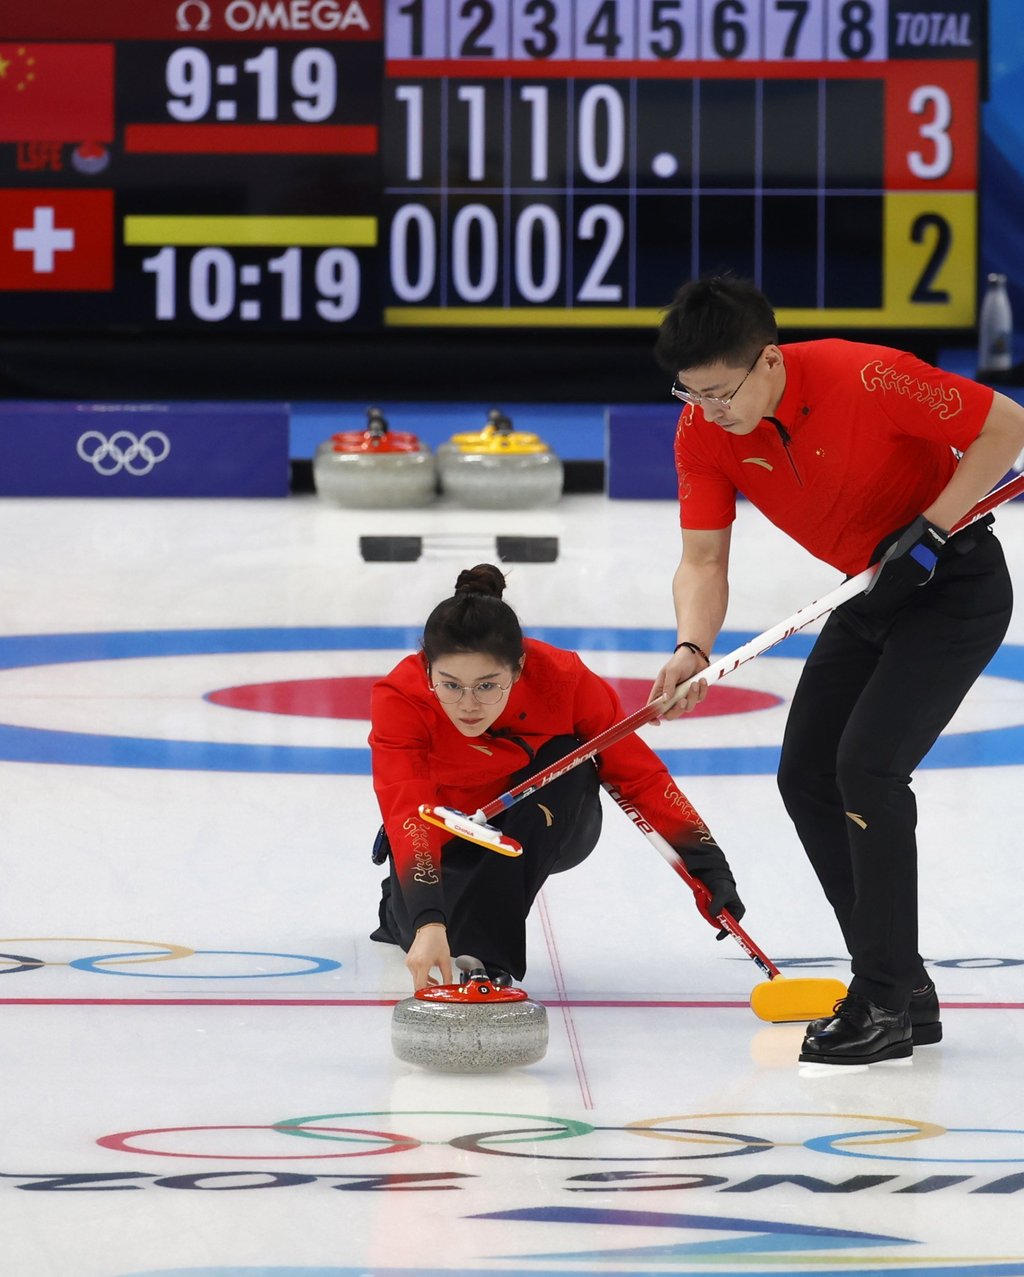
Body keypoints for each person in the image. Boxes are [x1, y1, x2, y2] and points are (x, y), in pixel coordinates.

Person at [649, 274, 1024, 1066]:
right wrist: (692, 647)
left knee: (868, 769)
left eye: (720, 392)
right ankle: (902, 983)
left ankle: (882, 1000)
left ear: (770, 362)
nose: (710, 411)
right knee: (807, 773)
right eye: (691, 394)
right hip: (870, 588)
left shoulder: (866, 375)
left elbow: (1005, 427)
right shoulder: (702, 433)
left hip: (952, 584)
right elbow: (704, 557)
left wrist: (932, 525)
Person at [369, 563, 744, 991]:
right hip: (449, 828)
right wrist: (426, 919)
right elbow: (409, 810)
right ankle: (402, 903)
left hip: (544, 821)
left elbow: (638, 777)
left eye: (488, 686)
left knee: (569, 758)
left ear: (518, 667)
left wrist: (709, 867)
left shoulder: (564, 680)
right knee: (422, 923)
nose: (468, 704)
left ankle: (488, 957)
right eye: (450, 685)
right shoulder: (400, 698)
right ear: (427, 668)